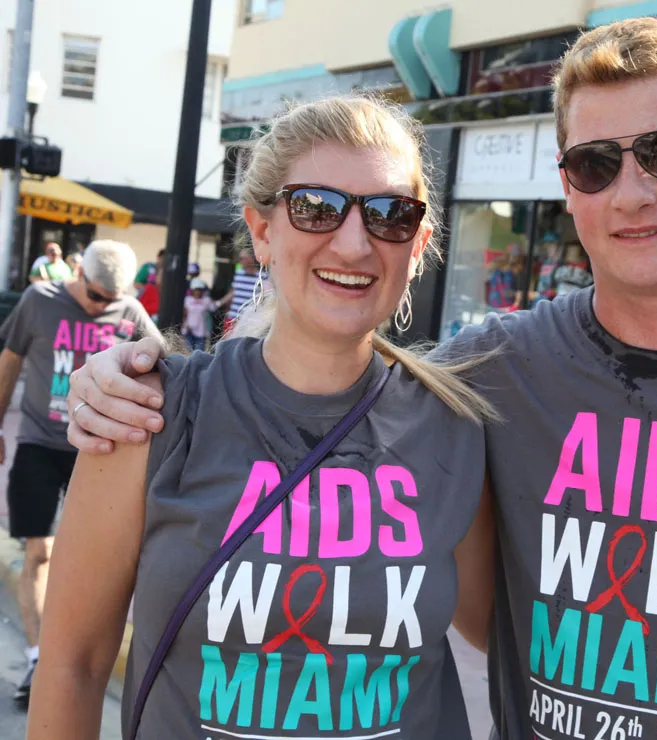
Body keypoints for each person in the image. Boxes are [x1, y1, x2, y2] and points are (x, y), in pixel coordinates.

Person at [63, 18, 657, 739]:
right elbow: (334, 366)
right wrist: (118, 371)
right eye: (596, 164)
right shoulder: (493, 371)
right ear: (567, 187)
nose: (632, 191)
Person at [27, 96, 495, 740]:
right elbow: (72, 666)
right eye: (316, 208)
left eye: (390, 214)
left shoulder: (453, 427)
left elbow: (498, 630)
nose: (354, 243)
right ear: (263, 230)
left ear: (418, 245)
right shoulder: (148, 412)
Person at [0, 240, 160, 708]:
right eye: (94, 296)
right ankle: (39, 658)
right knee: (41, 552)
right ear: (79, 276)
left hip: (98, 450)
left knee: (100, 562)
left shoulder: (129, 312)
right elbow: (9, 360)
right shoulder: (39, 300)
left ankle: (67, 654)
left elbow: (166, 363)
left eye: (110, 300)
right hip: (39, 443)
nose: (100, 307)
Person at [220, 249, 263, 336]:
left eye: (242, 258)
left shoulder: (262, 277)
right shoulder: (238, 273)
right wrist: (219, 303)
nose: (240, 261)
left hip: (249, 321)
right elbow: (233, 292)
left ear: (251, 259)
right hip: (233, 318)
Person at [182, 277, 217, 351]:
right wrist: (185, 326)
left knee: (199, 353)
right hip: (189, 330)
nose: (198, 291)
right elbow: (185, 314)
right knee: (187, 352)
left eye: (200, 289)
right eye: (196, 289)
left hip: (201, 332)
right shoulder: (187, 300)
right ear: (192, 290)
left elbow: (214, 307)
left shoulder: (206, 300)